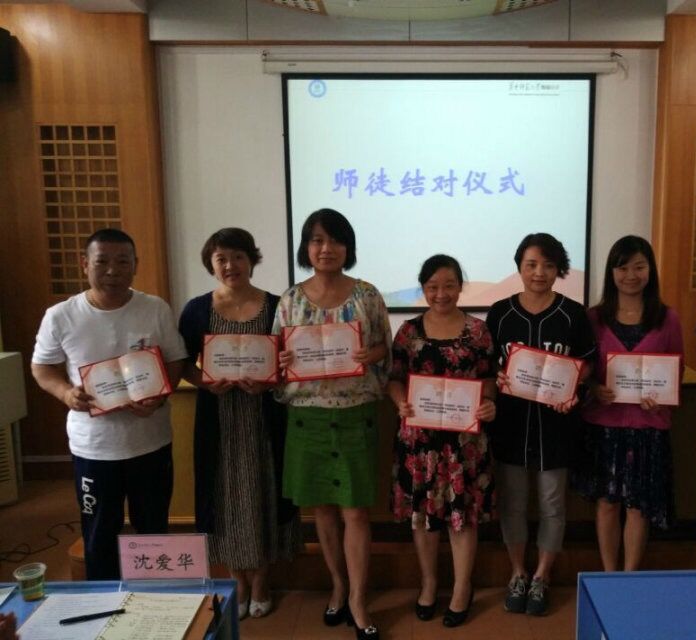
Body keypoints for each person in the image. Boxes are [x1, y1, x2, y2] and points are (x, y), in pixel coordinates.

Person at [31, 228, 187, 580]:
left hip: (151, 442)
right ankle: (102, 603)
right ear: (85, 264)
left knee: (153, 529)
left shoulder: (154, 308)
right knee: (100, 534)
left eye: (123, 261)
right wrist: (65, 393)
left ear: (136, 265)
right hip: (94, 448)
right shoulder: (61, 315)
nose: (113, 271)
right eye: (102, 262)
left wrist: (161, 395)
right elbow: (41, 367)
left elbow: (176, 360)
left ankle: (155, 600)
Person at [273, 209, 391, 640]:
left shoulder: (367, 295)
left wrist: (371, 354)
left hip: (355, 412)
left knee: (355, 511)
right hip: (307, 417)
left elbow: (384, 348)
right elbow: (276, 360)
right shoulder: (290, 300)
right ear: (306, 247)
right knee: (322, 509)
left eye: (336, 240)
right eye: (317, 240)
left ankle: (358, 599)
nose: (326, 249)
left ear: (348, 247)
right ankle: (338, 586)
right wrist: (282, 360)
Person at [178, 228, 301, 619]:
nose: (230, 265)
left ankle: (262, 579)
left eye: (238, 256)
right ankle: (237, 580)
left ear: (252, 260)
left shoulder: (277, 305)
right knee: (224, 495)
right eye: (221, 259)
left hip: (265, 417)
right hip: (219, 419)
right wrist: (205, 382)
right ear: (211, 264)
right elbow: (182, 364)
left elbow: (291, 361)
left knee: (265, 491)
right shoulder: (197, 310)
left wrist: (270, 379)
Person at [485, 233, 595, 616]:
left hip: (556, 425)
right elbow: (487, 364)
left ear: (558, 269)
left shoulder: (572, 313)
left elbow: (588, 363)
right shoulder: (500, 313)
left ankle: (542, 576)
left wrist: (573, 385)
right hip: (511, 424)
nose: (539, 272)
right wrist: (498, 375)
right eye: (531, 264)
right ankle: (518, 572)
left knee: (552, 504)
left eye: (548, 265)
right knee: (513, 503)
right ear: (519, 266)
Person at [388, 255, 497, 628]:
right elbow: (394, 378)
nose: (441, 294)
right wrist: (399, 402)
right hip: (419, 443)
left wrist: (488, 403)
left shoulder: (479, 331)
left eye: (449, 285)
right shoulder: (408, 331)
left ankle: (462, 588)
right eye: (433, 287)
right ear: (423, 289)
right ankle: (429, 583)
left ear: (460, 287)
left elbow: (489, 378)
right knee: (423, 516)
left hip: (464, 444)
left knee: (462, 517)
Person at [578, 236, 683, 571]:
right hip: (604, 426)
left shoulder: (667, 318)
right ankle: (610, 574)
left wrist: (661, 399)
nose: (631, 275)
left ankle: (629, 576)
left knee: (638, 506)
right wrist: (594, 387)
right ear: (612, 272)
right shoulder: (594, 318)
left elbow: (676, 370)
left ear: (650, 270)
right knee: (607, 503)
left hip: (647, 427)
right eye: (622, 268)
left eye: (639, 267)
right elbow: (583, 369)